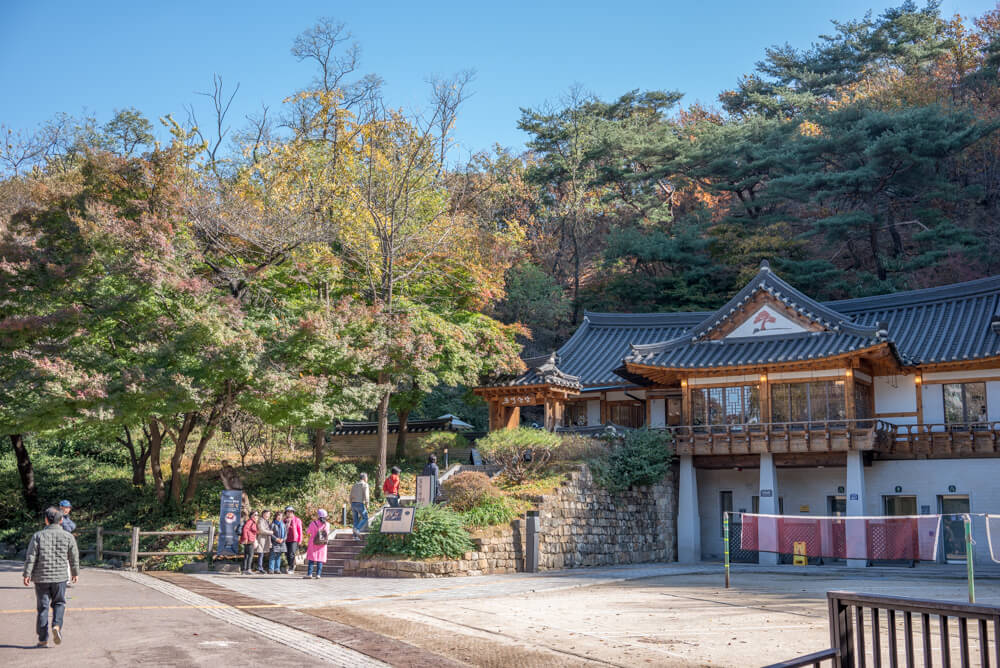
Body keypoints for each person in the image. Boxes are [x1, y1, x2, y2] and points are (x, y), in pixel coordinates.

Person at [23, 506, 79, 648]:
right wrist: (75, 573)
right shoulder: (68, 536)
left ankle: (43, 639)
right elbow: (74, 557)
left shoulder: (38, 536)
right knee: (59, 603)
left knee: (43, 608)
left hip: (41, 578)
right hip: (60, 577)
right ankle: (57, 626)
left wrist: (27, 574)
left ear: (46, 520)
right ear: (61, 521)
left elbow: (31, 557)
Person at [304, 509, 331, 579]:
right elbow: (327, 533)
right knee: (320, 559)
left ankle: (309, 574)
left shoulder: (313, 523)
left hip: (314, 542)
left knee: (311, 558)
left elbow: (308, 532)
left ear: (318, 516)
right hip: (322, 543)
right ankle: (318, 574)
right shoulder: (327, 525)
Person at [349, 473, 370, 540]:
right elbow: (366, 495)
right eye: (367, 477)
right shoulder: (365, 484)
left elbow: (350, 495)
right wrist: (367, 503)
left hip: (353, 503)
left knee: (355, 520)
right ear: (364, 478)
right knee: (365, 517)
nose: (367, 479)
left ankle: (355, 536)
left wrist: (351, 503)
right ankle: (357, 529)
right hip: (359, 503)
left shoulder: (354, 485)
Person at [284, 506, 303, 574]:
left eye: (291, 512)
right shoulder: (284, 520)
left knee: (291, 553)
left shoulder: (297, 520)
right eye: (287, 512)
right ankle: (290, 565)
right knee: (287, 554)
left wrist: (300, 539)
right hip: (285, 539)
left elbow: (300, 530)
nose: (289, 513)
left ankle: (291, 568)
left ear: (293, 512)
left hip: (294, 539)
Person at [239, 511, 258, 575]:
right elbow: (245, 529)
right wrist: (245, 538)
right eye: (255, 514)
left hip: (250, 540)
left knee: (247, 555)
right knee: (250, 555)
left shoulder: (253, 522)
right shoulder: (250, 521)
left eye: (257, 515)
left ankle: (244, 569)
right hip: (249, 540)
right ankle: (248, 569)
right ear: (251, 515)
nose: (256, 516)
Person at [254, 509, 273, 574]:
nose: (268, 515)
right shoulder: (261, 520)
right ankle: (260, 568)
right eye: (266, 514)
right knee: (260, 553)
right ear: (263, 514)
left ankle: (260, 567)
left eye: (269, 514)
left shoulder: (267, 521)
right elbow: (261, 530)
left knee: (262, 554)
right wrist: (271, 532)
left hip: (265, 539)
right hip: (261, 539)